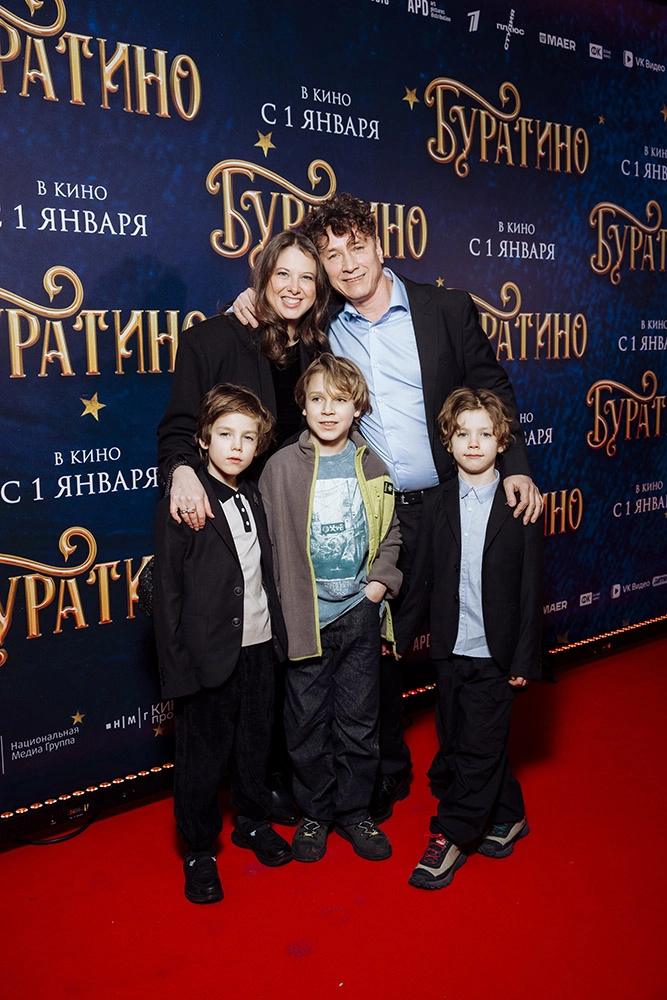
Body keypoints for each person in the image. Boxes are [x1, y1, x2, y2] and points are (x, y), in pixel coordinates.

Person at [232, 193, 542, 823]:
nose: (347, 264)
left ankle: (479, 784)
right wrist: (251, 302)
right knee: (372, 650)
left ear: (380, 244)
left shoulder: (446, 309)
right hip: (376, 514)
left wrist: (516, 468)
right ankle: (383, 771)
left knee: (465, 644)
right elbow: (277, 326)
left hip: (453, 503)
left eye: (356, 247)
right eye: (331, 256)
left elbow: (492, 389)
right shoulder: (323, 326)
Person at [157, 229, 331, 824]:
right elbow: (178, 429)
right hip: (227, 521)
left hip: (293, 517)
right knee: (225, 678)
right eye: (283, 274)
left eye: (307, 278)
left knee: (278, 662)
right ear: (261, 277)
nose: (294, 288)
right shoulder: (212, 338)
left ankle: (270, 782)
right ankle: (218, 812)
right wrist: (181, 471)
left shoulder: (319, 347)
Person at [394, 387, 543, 889]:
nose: (473, 443)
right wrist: (400, 637)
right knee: (461, 741)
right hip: (449, 650)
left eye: (484, 433)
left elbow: (531, 588)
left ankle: (450, 835)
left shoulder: (520, 503)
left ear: (502, 441)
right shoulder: (436, 503)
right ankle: (509, 814)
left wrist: (525, 657)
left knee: (477, 749)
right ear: (448, 440)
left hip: (497, 653)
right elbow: (421, 579)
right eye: (463, 433)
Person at [259, 354, 402, 863]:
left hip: (359, 613)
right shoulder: (280, 468)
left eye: (339, 400)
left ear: (357, 407)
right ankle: (316, 813)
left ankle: (354, 811)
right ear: (302, 405)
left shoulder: (373, 464)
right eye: (317, 399)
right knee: (305, 724)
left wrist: (379, 586)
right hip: (305, 621)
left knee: (359, 721)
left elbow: (391, 531)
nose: (327, 410)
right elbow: (267, 546)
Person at [153, 384, 292, 903]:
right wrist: (178, 672)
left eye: (248, 437)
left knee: (255, 745)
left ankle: (252, 821)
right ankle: (198, 849)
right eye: (226, 434)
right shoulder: (186, 500)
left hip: (259, 646)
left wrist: (278, 641)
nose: (237, 446)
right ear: (204, 438)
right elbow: (168, 594)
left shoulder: (253, 492)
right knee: (202, 759)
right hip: (207, 656)